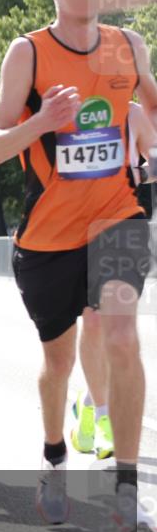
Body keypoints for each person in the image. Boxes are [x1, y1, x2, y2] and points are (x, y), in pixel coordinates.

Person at [0, 0, 157, 532]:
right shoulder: (28, 53)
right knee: (58, 363)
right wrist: (43, 121)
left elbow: (151, 109)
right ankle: (55, 461)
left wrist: (142, 132)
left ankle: (126, 490)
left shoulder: (129, 46)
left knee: (121, 336)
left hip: (117, 216)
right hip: (48, 236)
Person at [70, 101, 157, 460]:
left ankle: (94, 407)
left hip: (125, 229)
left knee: (118, 334)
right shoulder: (70, 109)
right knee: (95, 326)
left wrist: (136, 173)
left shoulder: (137, 111)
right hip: (78, 227)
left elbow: (153, 161)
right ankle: (95, 407)